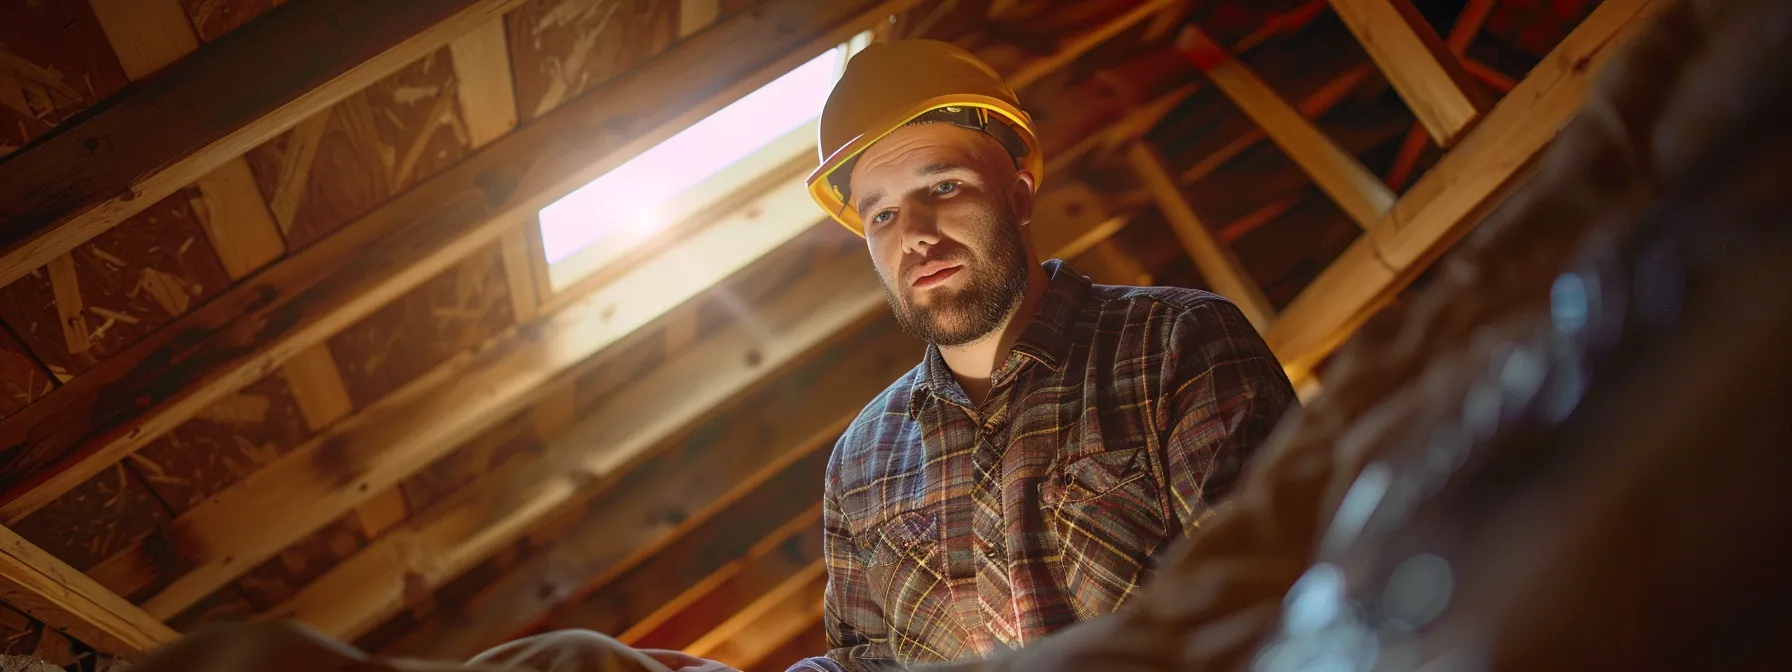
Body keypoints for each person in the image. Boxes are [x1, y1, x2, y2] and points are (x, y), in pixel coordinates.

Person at [654, 38, 1299, 672]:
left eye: (942, 188)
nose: (914, 235)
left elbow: (1266, 596)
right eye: (881, 216)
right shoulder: (861, 460)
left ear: (1018, 197)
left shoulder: (1179, 345)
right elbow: (865, 664)